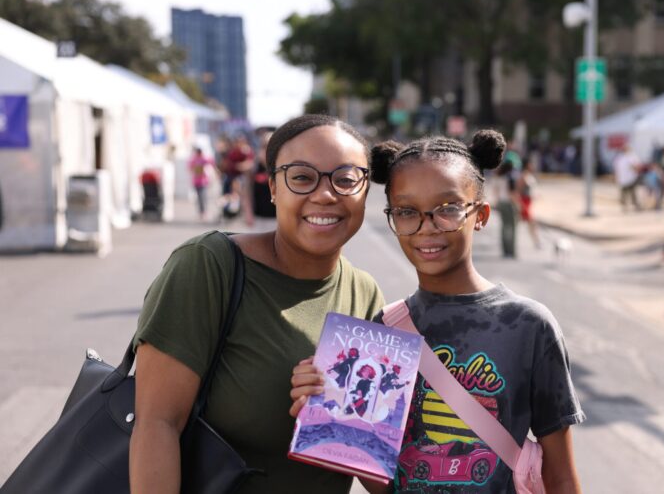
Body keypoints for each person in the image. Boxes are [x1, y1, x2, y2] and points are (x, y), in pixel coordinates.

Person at [291, 131, 586, 493]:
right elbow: (386, 484)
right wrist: (324, 408)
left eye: (447, 209)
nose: (426, 228)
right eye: (406, 212)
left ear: (480, 214)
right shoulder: (382, 332)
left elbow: (561, 476)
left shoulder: (528, 326)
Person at [129, 114, 385, 494]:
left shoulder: (364, 293)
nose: (325, 193)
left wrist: (341, 415)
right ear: (273, 188)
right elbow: (156, 424)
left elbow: (373, 472)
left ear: (365, 191)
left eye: (346, 179)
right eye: (301, 177)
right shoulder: (208, 265)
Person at [515, 158, 541, 248]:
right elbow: (518, 190)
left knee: (530, 223)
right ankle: (536, 241)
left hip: (529, 201)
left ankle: (536, 241)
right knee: (530, 222)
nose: (533, 166)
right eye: (531, 164)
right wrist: (520, 204)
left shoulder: (530, 175)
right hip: (524, 202)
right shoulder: (523, 176)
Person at [187, 146, 215, 220]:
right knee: (199, 198)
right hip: (197, 181)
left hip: (203, 181)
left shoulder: (202, 158)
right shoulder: (194, 159)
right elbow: (189, 167)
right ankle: (201, 212)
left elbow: (211, 162)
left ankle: (204, 212)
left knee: (203, 197)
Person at [613, 145, 642, 211]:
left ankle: (635, 206)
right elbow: (617, 168)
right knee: (624, 193)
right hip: (623, 178)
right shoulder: (620, 157)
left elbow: (637, 166)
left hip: (631, 178)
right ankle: (625, 206)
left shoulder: (631, 156)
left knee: (632, 193)